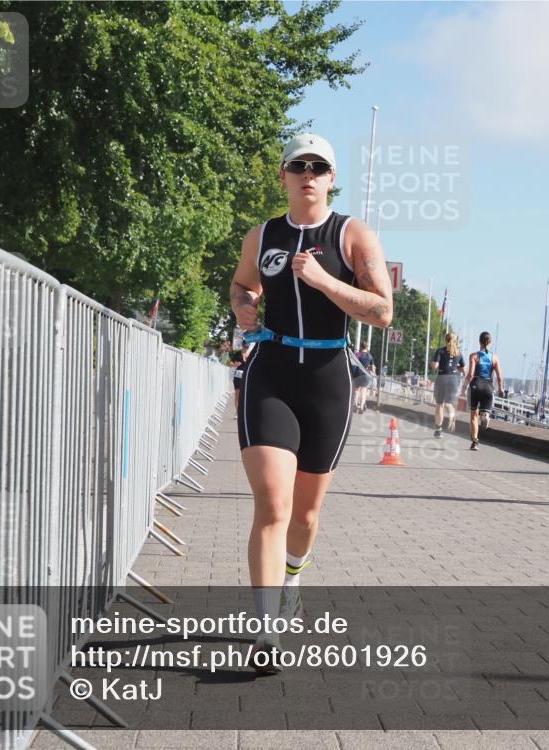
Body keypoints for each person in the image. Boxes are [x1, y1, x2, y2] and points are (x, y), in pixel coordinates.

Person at [230, 133, 393, 674]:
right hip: (270, 373)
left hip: (328, 379)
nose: (308, 173)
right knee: (273, 506)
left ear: (331, 178)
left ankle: (293, 576)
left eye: (319, 166)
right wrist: (245, 307)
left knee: (304, 515)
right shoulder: (263, 234)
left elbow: (381, 311)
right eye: (298, 165)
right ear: (283, 175)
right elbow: (241, 285)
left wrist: (324, 281)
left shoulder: (352, 235)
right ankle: (265, 627)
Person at [463, 331, 503, 451]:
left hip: (475, 385)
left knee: (473, 416)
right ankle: (485, 415)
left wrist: (464, 387)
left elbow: (470, 374)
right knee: (483, 413)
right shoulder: (494, 357)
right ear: (489, 342)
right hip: (488, 387)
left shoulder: (474, 356)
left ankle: (475, 442)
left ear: (479, 341)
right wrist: (501, 388)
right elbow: (500, 376)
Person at [432, 332, 465, 437]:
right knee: (448, 404)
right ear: (455, 341)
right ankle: (452, 415)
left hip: (441, 378)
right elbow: (463, 369)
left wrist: (432, 363)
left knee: (439, 405)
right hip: (453, 379)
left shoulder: (440, 351)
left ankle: (439, 429)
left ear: (446, 340)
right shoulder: (459, 353)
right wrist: (455, 367)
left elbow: (435, 366)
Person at [352, 343, 375, 413]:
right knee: (364, 391)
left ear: (361, 347)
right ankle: (361, 407)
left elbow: (353, 364)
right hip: (366, 375)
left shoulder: (358, 354)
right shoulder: (370, 356)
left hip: (357, 374)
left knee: (356, 391)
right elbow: (372, 368)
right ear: (366, 347)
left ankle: (355, 406)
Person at [229, 343, 252, 416]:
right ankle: (237, 412)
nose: (246, 349)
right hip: (238, 376)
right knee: (237, 395)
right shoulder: (237, 354)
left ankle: (244, 412)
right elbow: (230, 363)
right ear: (242, 346)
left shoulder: (250, 354)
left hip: (246, 376)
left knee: (246, 395)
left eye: (247, 347)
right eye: (245, 347)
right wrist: (234, 365)